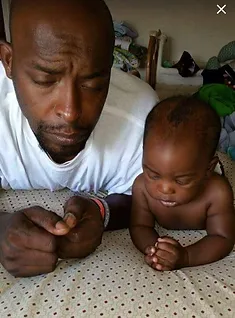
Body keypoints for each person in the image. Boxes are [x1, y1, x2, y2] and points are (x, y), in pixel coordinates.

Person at [0, 0, 158, 277]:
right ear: (8, 61)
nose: (70, 112)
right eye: (44, 80)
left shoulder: (142, 119)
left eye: (93, 84)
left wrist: (101, 212)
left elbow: (153, 197)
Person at [130, 96, 235, 271]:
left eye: (181, 180)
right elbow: (139, 226)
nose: (165, 189)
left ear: (208, 170)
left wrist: (186, 257)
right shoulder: (142, 187)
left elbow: (222, 237)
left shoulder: (217, 193)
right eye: (153, 175)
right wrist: (156, 252)